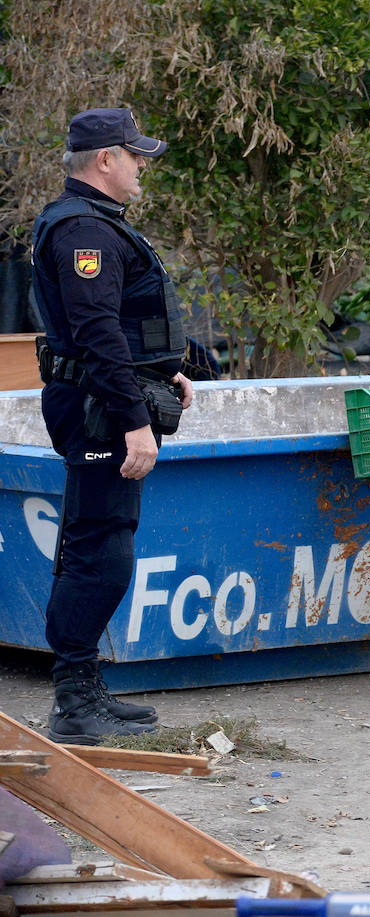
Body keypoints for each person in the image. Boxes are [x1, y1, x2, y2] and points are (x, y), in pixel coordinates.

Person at [30, 108, 193, 743]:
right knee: (99, 554)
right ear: (105, 160)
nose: (141, 166)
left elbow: (125, 323)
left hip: (108, 398)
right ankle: (74, 700)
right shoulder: (81, 233)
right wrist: (133, 420)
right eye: (135, 156)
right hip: (99, 410)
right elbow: (96, 332)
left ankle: (84, 684)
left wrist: (172, 368)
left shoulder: (96, 225)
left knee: (100, 543)